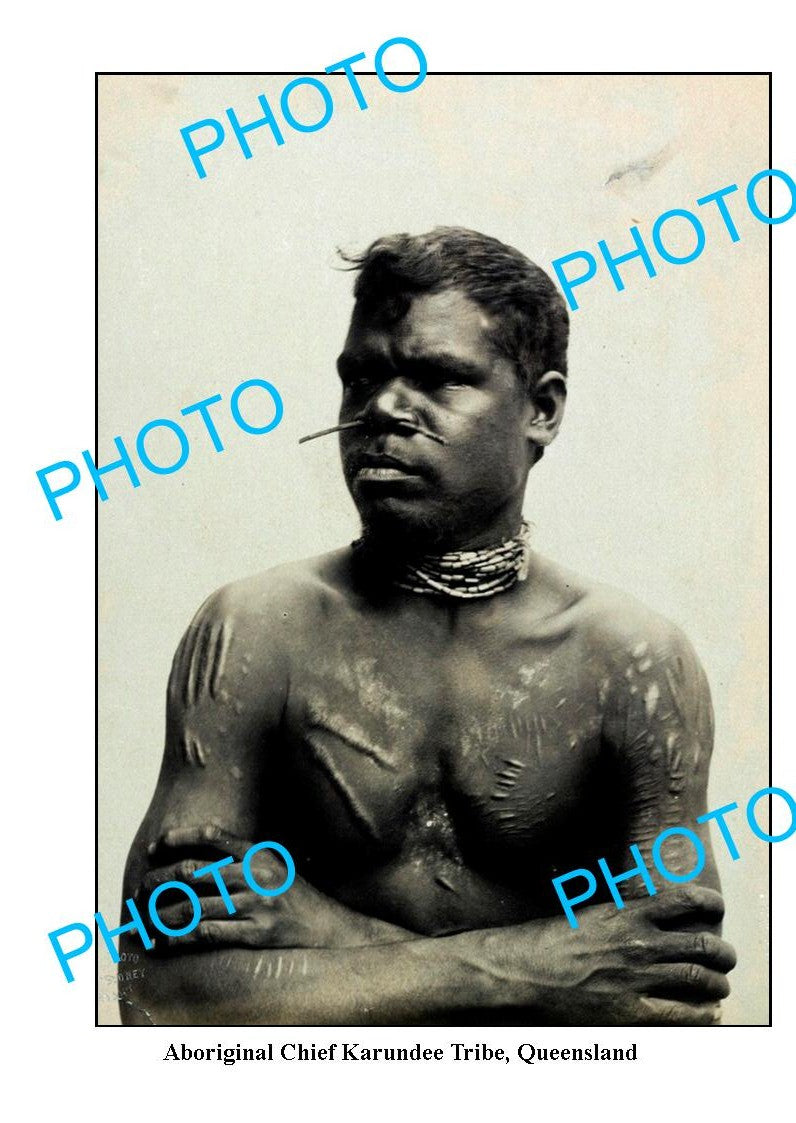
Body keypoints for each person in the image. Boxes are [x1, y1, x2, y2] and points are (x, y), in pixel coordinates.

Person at [118, 227, 736, 1026]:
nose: (380, 409)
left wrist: (326, 931)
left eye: (439, 379)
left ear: (541, 410)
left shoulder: (632, 660)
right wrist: (534, 968)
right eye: (361, 378)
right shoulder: (253, 633)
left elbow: (672, 999)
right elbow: (160, 997)